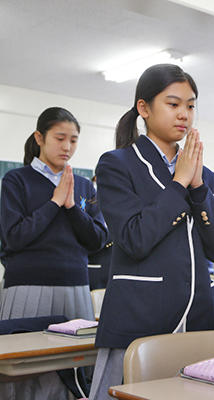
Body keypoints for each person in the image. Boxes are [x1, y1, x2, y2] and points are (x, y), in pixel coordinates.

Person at [89, 64, 214, 400]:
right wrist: (179, 182)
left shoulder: (206, 176)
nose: (184, 114)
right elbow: (134, 239)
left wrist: (198, 187)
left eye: (191, 105)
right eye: (173, 104)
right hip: (139, 319)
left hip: (199, 317)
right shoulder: (117, 164)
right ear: (144, 108)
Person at [0, 107, 108, 400]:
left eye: (73, 140)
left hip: (74, 287)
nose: (67, 147)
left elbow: (97, 239)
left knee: (74, 373)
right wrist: (54, 202)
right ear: (39, 137)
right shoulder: (16, 180)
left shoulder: (84, 186)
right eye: (60, 138)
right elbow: (13, 238)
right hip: (26, 288)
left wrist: (72, 206)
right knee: (23, 373)